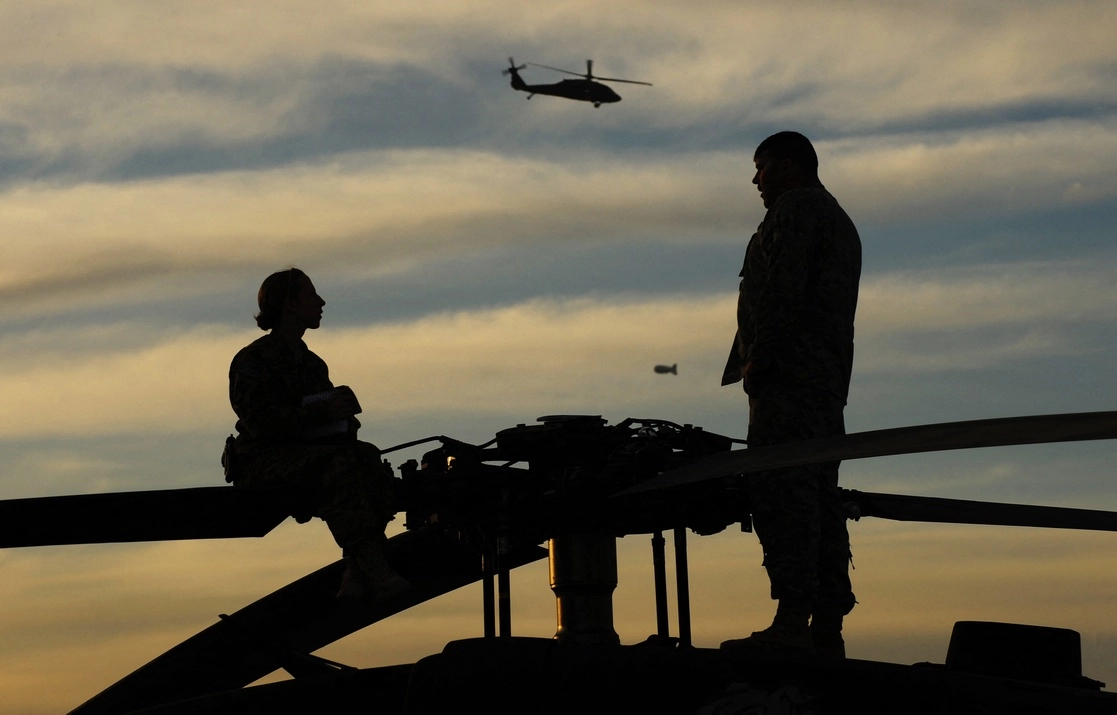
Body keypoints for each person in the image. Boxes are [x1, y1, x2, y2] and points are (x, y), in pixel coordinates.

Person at [721, 131, 861, 656]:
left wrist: (761, 358)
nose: (755, 180)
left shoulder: (796, 211)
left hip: (791, 382)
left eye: (760, 168)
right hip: (823, 384)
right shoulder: (835, 217)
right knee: (820, 493)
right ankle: (825, 622)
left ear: (786, 166)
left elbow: (783, 289)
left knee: (784, 489)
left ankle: (792, 618)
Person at [228, 267, 408, 603]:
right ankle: (372, 568)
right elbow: (260, 425)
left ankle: (358, 568)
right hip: (261, 462)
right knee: (338, 464)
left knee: (369, 459)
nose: (321, 302)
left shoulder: (311, 363)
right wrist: (323, 413)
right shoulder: (253, 360)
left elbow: (322, 426)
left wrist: (343, 421)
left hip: (306, 456)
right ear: (290, 305)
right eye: (312, 295)